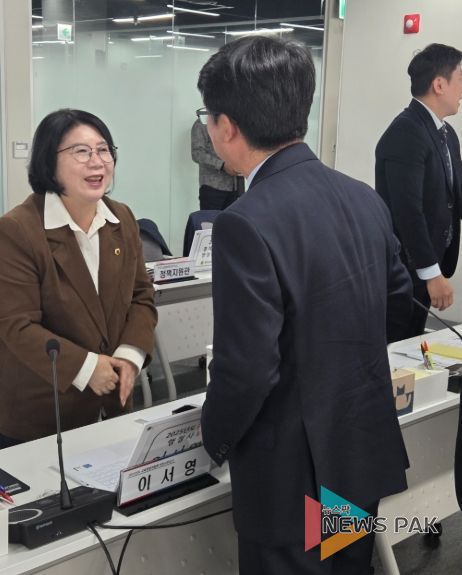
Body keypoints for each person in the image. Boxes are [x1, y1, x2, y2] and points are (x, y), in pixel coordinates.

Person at [197, 36, 413, 575]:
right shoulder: (362, 196)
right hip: (355, 449)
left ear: (227, 127)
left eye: (208, 117)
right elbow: (398, 305)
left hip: (291, 474)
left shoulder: (245, 221)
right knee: (347, 567)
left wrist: (211, 437)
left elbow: (248, 369)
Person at [0, 109, 157, 448]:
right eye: (81, 152)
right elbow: (16, 325)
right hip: (44, 416)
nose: (97, 162)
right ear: (49, 161)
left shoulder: (121, 217)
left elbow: (141, 296)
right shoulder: (18, 230)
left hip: (112, 404)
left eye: (103, 150)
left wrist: (130, 357)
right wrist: (86, 368)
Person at [376, 43, 462, 341]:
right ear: (439, 84)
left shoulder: (447, 135)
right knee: (398, 345)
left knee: (414, 344)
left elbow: (454, 196)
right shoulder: (406, 132)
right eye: (460, 79)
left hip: (431, 262)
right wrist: (431, 272)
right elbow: (407, 212)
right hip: (407, 270)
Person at [191, 113, 245, 209]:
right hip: (212, 187)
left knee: (232, 219)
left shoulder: (233, 122)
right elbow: (197, 153)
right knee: (211, 218)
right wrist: (222, 165)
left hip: (235, 186)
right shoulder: (202, 123)